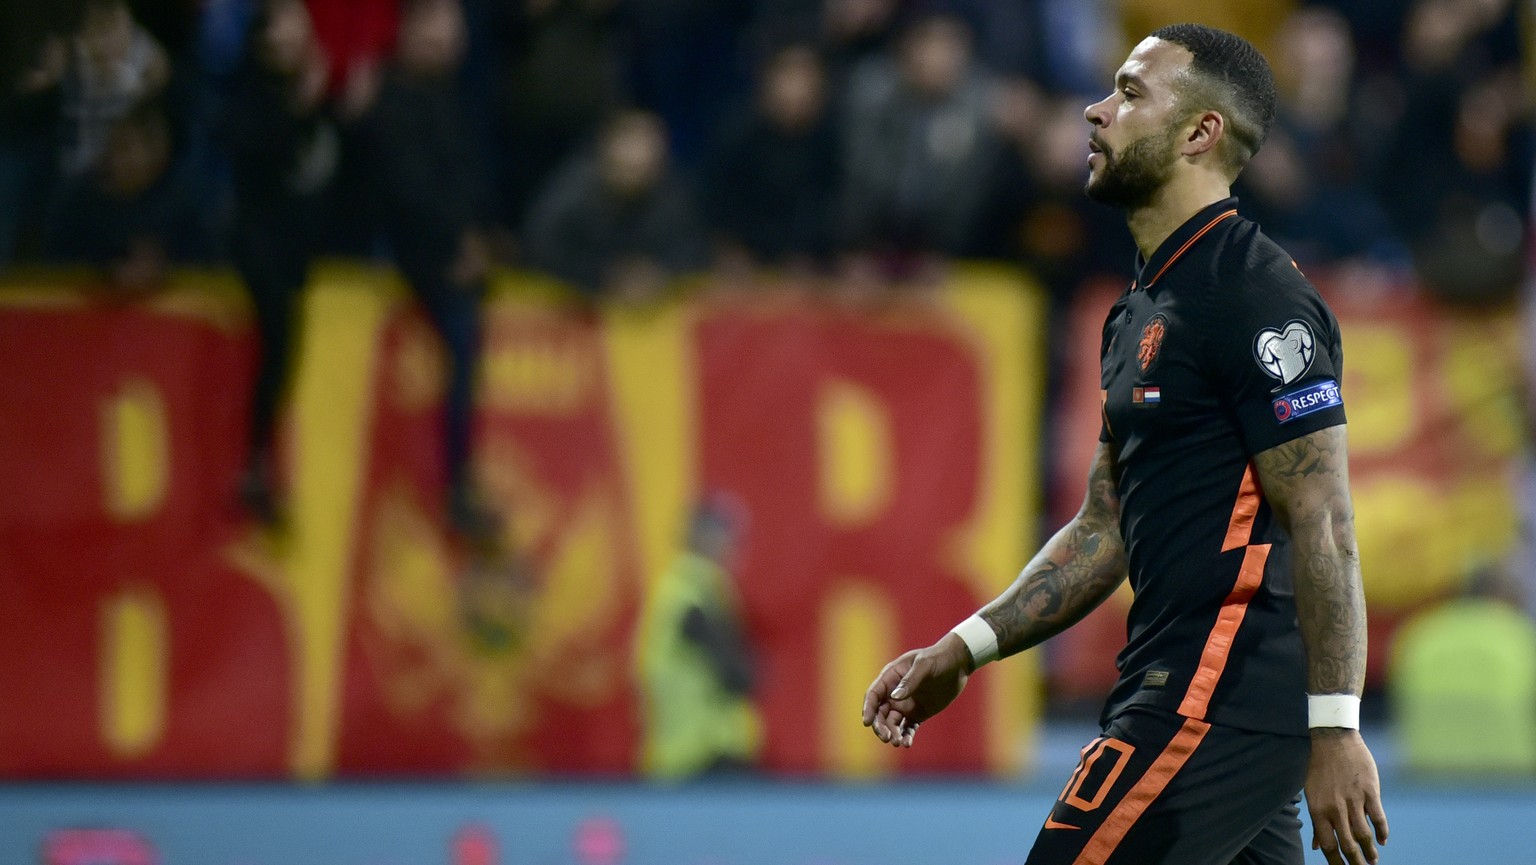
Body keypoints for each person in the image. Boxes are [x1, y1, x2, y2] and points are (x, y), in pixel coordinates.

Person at [861, 24, 1388, 865]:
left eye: (1131, 93)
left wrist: (1336, 730)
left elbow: (1324, 519)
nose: (1096, 110)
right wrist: (965, 647)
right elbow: (1103, 529)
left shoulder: (1256, 297)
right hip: (1194, 694)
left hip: (1207, 700)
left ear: (1200, 133)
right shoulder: (1141, 307)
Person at [636, 494, 761, 779]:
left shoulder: (700, 589)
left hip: (696, 753)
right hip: (698, 756)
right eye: (723, 532)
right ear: (699, 536)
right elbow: (736, 672)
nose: (732, 542)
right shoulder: (688, 591)